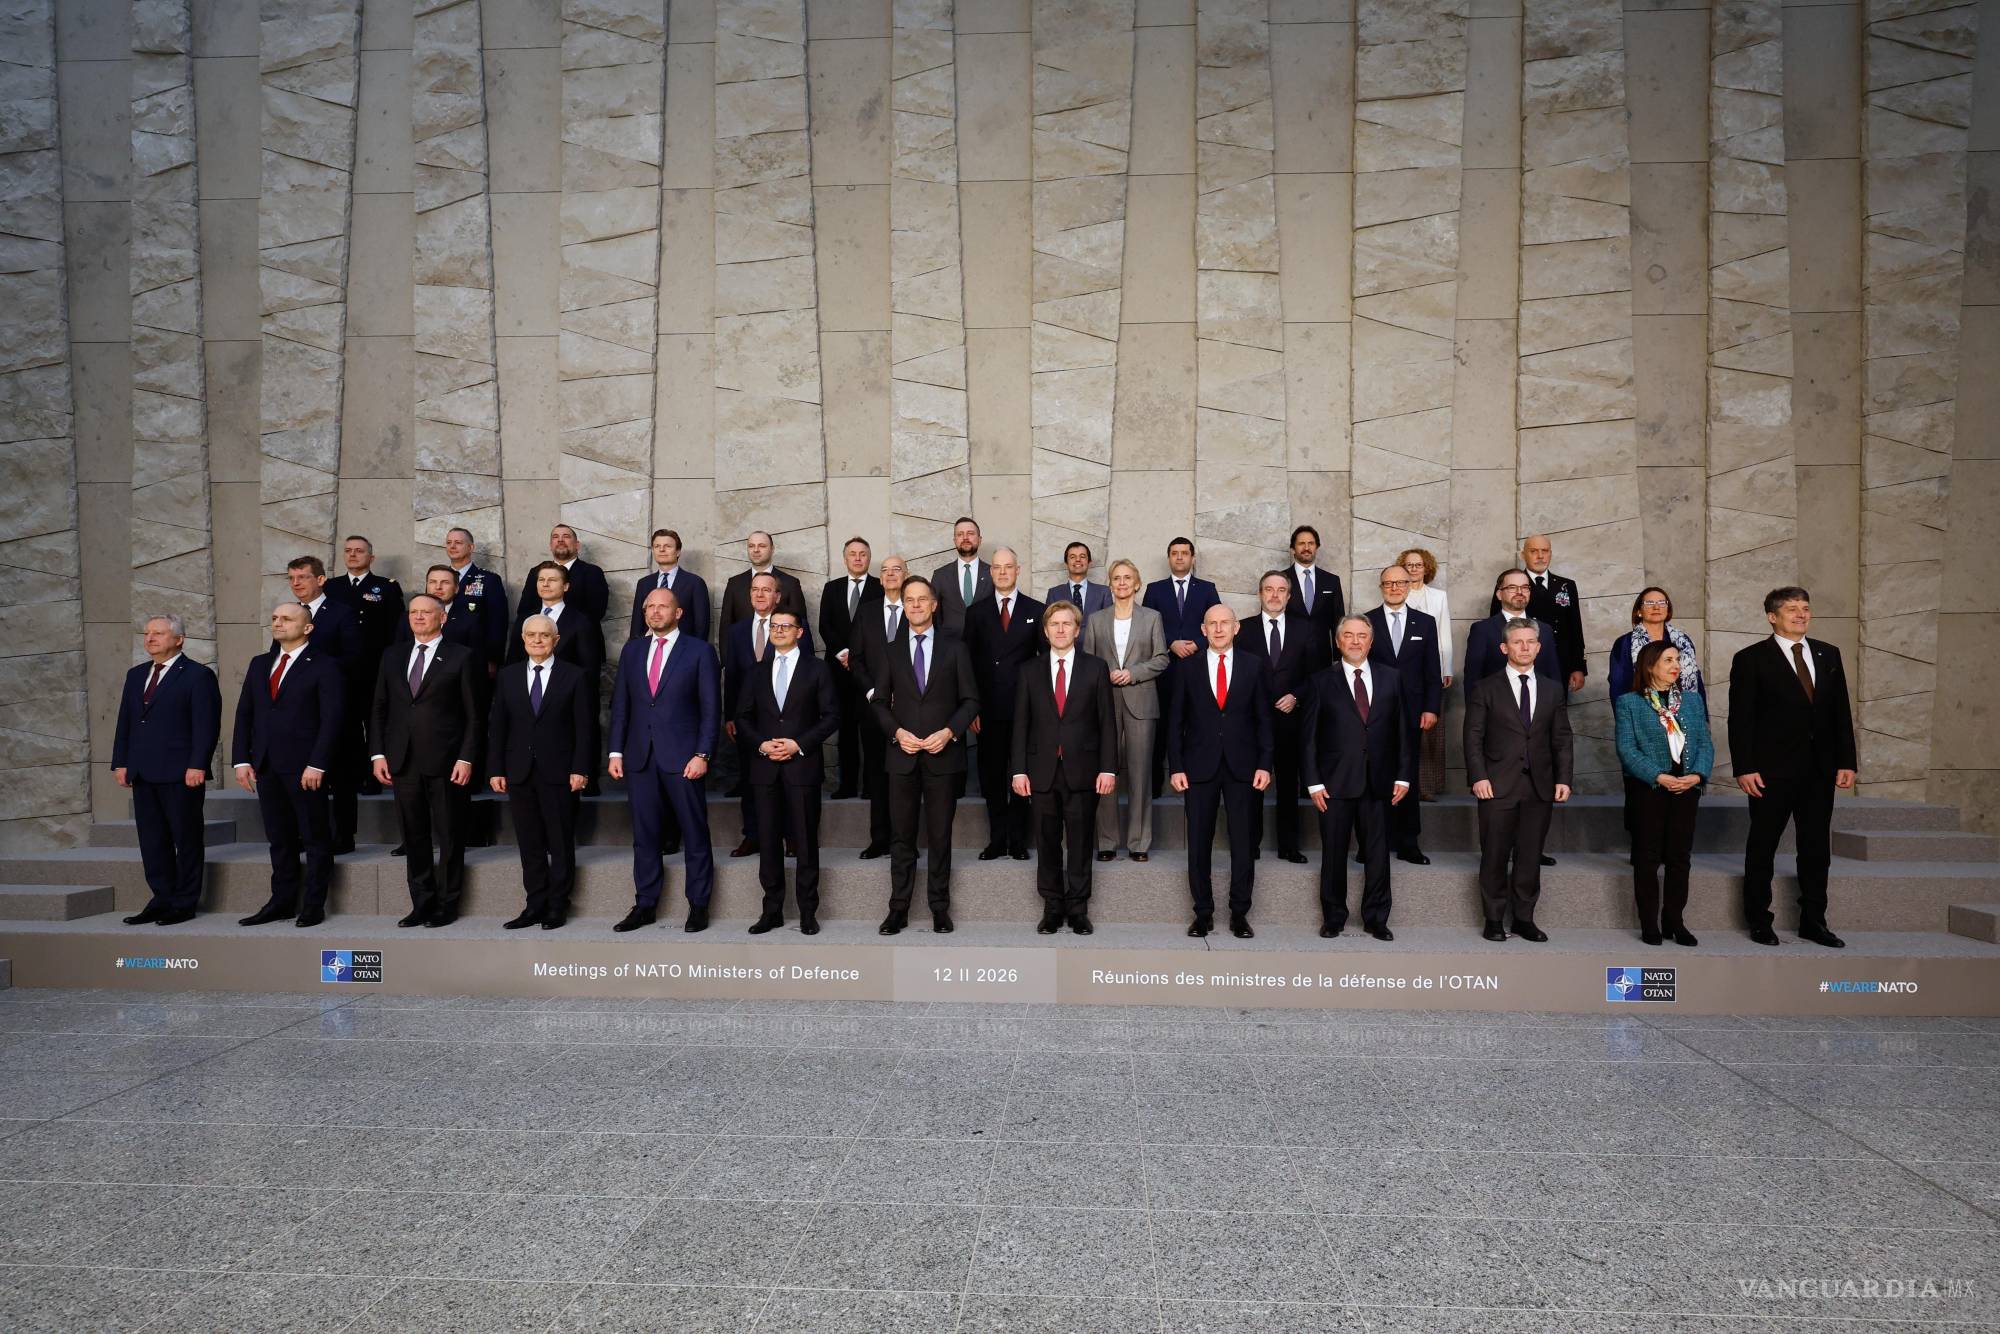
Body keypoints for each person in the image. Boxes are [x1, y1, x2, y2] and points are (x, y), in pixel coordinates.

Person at [1728, 586, 1857, 948]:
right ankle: (1759, 920)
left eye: (1805, 608)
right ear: (1772, 617)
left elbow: (1840, 712)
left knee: (1816, 849)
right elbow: (1741, 719)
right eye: (1791, 609)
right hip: (1770, 770)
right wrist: (1744, 767)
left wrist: (1847, 761)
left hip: (1820, 770)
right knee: (1762, 846)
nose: (1801, 614)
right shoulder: (1751, 658)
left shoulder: (1828, 653)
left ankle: (1814, 921)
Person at [870, 576, 980, 935]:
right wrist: (897, 733)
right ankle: (898, 909)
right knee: (901, 837)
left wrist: (949, 732)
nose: (915, 605)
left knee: (939, 836)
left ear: (934, 605)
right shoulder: (891, 650)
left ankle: (939, 908)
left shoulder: (955, 648)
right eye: (909, 600)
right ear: (903, 606)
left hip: (942, 756)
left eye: (922, 599)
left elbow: (971, 701)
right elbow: (879, 702)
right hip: (902, 756)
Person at [609, 588, 720, 932]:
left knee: (694, 832)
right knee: (644, 835)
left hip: (684, 758)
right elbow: (621, 705)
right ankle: (645, 904)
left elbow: (711, 709)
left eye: (663, 606)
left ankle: (698, 905)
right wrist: (616, 751)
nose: (655, 612)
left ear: (678, 612)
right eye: (650, 607)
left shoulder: (700, 651)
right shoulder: (632, 650)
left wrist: (702, 754)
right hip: (639, 757)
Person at [371, 594, 482, 928]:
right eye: (413, 612)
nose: (418, 617)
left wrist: (466, 757)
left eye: (426, 612)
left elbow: (474, 715)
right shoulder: (392, 655)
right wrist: (378, 753)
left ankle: (447, 904)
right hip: (402, 760)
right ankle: (421, 903)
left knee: (450, 835)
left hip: (447, 761)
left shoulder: (462, 656)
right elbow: (379, 707)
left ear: (442, 618)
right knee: (413, 835)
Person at [1301, 615, 1414, 941]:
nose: (1355, 641)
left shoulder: (1392, 678)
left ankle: (1376, 918)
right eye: (1348, 635)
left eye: (1361, 635)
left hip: (1380, 782)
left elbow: (1404, 731)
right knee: (1334, 853)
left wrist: (1404, 776)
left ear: (1371, 641)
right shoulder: (1321, 681)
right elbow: (1308, 738)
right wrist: (1314, 782)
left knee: (1378, 855)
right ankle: (1333, 917)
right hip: (1334, 784)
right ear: (1338, 642)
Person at [1166, 603, 1274, 939]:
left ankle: (1239, 914)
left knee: (1243, 843)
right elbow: (1175, 721)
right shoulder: (1187, 667)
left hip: (1244, 767)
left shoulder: (1254, 665)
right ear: (1203, 629)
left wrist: (1265, 763)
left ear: (1236, 627)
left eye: (1224, 622)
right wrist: (1176, 766)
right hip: (1199, 767)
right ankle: (1203, 914)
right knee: (1199, 843)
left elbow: (1264, 719)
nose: (1218, 628)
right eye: (1211, 623)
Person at [232, 603, 344, 928]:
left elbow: (332, 719)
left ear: (307, 628)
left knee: (314, 838)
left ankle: (313, 905)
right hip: (266, 765)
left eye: (286, 618)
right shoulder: (259, 664)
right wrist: (241, 759)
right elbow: (245, 714)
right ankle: (281, 902)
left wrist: (318, 764)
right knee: (279, 839)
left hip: (305, 767)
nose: (278, 623)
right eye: (274, 618)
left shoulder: (325, 665)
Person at [1011, 600, 1118, 933]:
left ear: (1077, 629)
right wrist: (1018, 770)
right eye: (1054, 624)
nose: (1060, 629)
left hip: (1083, 770)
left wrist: (1108, 768)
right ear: (1045, 631)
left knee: (1081, 841)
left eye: (1066, 623)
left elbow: (1107, 723)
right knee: (1046, 842)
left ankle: (1078, 908)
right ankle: (1052, 907)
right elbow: (1021, 724)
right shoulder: (1029, 670)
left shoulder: (1095, 668)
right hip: (1041, 771)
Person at [1464, 619, 1573, 942]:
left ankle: (1524, 919)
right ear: (1504, 648)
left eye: (1530, 642)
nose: (1524, 647)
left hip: (1540, 785)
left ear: (1538, 648)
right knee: (1494, 854)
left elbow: (1562, 738)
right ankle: (1494, 919)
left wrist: (1564, 778)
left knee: (1530, 855)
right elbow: (1472, 737)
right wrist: (1478, 776)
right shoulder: (1485, 688)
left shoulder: (1553, 689)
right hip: (1496, 784)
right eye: (1517, 642)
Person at [735, 608, 840, 935]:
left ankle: (808, 911)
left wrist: (798, 744)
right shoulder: (756, 671)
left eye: (786, 626)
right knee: (768, 842)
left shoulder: (817, 669)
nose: (779, 630)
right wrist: (762, 745)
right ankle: (772, 911)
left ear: (800, 632)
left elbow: (831, 716)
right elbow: (742, 717)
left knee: (805, 841)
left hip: (802, 767)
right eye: (774, 626)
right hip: (764, 768)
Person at [113, 614, 222, 926]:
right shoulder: (136, 675)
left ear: (179, 639)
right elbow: (126, 721)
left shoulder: (198, 676)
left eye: (158, 633)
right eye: (147, 633)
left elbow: (206, 725)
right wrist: (121, 761)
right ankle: (161, 899)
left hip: (181, 772)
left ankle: (184, 903)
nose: (150, 638)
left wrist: (198, 763)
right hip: (143, 771)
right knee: (152, 841)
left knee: (186, 839)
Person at [486, 615, 592, 930]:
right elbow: (498, 726)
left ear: (555, 640)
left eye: (544, 635)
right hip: (519, 771)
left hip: (560, 771)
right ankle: (534, 904)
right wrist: (496, 768)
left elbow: (584, 728)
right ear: (522, 639)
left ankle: (558, 905)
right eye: (531, 635)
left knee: (559, 842)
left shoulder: (574, 676)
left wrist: (580, 768)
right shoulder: (508, 676)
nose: (537, 640)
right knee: (529, 843)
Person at [1615, 639, 1712, 947]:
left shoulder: (1692, 701)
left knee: (1679, 857)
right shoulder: (1629, 703)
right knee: (1647, 857)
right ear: (1650, 666)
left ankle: (1674, 921)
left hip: (1687, 788)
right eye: (1668, 660)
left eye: (1678, 660)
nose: (1676, 666)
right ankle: (1649, 923)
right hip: (1649, 789)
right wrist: (1658, 776)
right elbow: (1627, 749)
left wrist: (1697, 775)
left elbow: (1705, 743)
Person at [723, 572, 816, 857]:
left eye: (766, 590)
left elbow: (807, 672)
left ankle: (791, 836)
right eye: (755, 589)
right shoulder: (737, 631)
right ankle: (753, 835)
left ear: (778, 596)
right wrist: (730, 715)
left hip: (790, 719)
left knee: (788, 779)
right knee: (752, 779)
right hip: (750, 721)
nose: (760, 594)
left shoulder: (794, 628)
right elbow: (732, 676)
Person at [1081, 558, 1169, 862]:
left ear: (1137, 583)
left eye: (1127, 578)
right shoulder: (1096, 620)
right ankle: (1107, 841)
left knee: (1140, 774)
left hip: (1141, 701)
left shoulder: (1152, 618)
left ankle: (1139, 842)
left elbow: (1162, 658)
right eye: (1116, 578)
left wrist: (1133, 673)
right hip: (1103, 702)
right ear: (1110, 584)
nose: (1121, 582)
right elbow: (1087, 661)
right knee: (1105, 769)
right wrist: (1102, 675)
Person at [1236, 569, 1322, 864]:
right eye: (1269, 589)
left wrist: (1296, 696)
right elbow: (1237, 673)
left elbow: (1317, 674)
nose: (1275, 595)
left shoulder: (1305, 629)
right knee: (1252, 784)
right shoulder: (1243, 629)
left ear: (1289, 596)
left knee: (1288, 785)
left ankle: (1289, 846)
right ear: (1260, 594)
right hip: (1253, 721)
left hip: (1291, 719)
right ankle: (1250, 844)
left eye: (1281, 590)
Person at [323, 534, 403, 845]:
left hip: (373, 667)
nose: (353, 555)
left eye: (359, 551)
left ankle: (372, 776)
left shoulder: (386, 587)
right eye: (348, 551)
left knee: (375, 721)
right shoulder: (331, 588)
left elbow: (396, 629)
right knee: (346, 726)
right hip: (339, 671)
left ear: (371, 557)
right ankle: (352, 774)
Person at [963, 547, 1042, 861]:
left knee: (1022, 773)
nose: (1003, 572)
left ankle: (1018, 840)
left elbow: (1045, 663)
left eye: (1008, 567)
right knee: (992, 777)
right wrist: (972, 707)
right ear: (990, 572)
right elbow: (967, 664)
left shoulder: (1036, 609)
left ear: (1017, 570)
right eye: (997, 567)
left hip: (1025, 710)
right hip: (988, 710)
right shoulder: (976, 612)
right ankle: (997, 839)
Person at [1368, 563, 1443, 864]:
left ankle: (1409, 843)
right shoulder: (1367, 621)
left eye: (1400, 583)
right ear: (1381, 587)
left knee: (1407, 775)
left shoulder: (1425, 623)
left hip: (1413, 713)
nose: (1395, 588)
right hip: (1374, 714)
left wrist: (1431, 707)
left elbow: (1432, 670)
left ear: (1409, 586)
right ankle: (1375, 842)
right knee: (1375, 776)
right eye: (1388, 583)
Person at [1142, 537, 1220, 794]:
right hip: (1164, 670)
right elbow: (1145, 625)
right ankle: (1155, 788)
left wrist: (1197, 644)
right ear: (1168, 558)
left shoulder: (1207, 589)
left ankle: (1197, 781)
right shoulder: (1155, 589)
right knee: (1161, 727)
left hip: (1198, 668)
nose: (1179, 557)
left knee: (1197, 724)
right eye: (1174, 553)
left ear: (1192, 558)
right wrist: (1170, 643)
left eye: (1184, 553)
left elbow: (1217, 623)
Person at [848, 553, 912, 859]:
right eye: (885, 570)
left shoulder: (916, 608)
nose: (890, 574)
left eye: (896, 569)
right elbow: (856, 658)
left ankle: (905, 841)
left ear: (906, 574)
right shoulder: (867, 611)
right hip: (874, 707)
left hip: (910, 707)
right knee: (876, 773)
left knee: (906, 777)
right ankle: (880, 839)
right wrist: (875, 693)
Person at [819, 536, 881, 799]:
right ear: (845, 559)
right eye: (852, 554)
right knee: (844, 729)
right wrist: (844, 654)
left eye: (862, 554)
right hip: (839, 671)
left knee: (872, 730)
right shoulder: (831, 588)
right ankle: (847, 785)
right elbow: (825, 626)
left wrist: (858, 658)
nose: (857, 558)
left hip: (870, 671)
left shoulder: (880, 587)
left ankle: (871, 786)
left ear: (869, 558)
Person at [1488, 534, 1585, 695]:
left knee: (1554, 705)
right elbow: (1497, 626)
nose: (1540, 556)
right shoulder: (1510, 584)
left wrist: (1578, 666)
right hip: (1521, 662)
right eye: (1533, 551)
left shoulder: (1566, 585)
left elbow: (1575, 628)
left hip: (1559, 663)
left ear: (1550, 554)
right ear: (1523, 555)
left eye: (1545, 551)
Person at [1396, 547, 1452, 801]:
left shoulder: (1439, 597)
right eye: (1409, 565)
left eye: (1418, 565)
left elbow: (1444, 634)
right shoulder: (1398, 593)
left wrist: (1446, 668)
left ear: (1427, 568)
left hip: (1431, 671)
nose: (1414, 569)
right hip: (1403, 672)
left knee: (1430, 734)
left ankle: (1428, 787)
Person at [1465, 569, 1561, 686]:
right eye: (1512, 587)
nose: (1519, 592)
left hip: (1540, 697)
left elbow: (1554, 675)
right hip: (1496, 697)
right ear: (1499, 594)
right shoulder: (1482, 630)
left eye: (1524, 587)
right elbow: (1473, 678)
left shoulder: (1545, 630)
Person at [1609, 586, 1704, 703]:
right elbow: (1618, 685)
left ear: (1668, 609)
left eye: (1662, 602)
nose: (1656, 607)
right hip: (1642, 708)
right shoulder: (1625, 643)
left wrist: (1702, 711)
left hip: (1684, 708)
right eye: (1649, 603)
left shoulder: (1683, 641)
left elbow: (1696, 679)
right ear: (1639, 611)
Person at [441, 526, 510, 675]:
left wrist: (493, 660)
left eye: (458, 542)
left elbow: (497, 623)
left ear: (471, 547)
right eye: (449, 542)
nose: (452, 546)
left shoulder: (489, 580)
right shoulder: (437, 579)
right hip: (441, 654)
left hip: (474, 657)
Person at [719, 529, 807, 644]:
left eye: (762, 546)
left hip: (779, 652)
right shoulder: (734, 583)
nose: (756, 550)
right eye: (751, 546)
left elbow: (801, 627)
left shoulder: (790, 583)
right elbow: (725, 629)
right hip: (743, 653)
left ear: (772, 549)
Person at [516, 523, 608, 629]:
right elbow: (524, 611)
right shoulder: (535, 572)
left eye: (566, 536)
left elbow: (595, 613)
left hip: (580, 637)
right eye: (555, 537)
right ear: (550, 546)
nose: (560, 540)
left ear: (577, 545)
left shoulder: (592, 572)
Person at [630, 527, 711, 644]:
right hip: (649, 647)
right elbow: (636, 625)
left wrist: (695, 652)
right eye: (657, 546)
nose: (662, 549)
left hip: (683, 649)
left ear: (678, 552)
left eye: (667, 546)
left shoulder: (695, 583)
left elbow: (701, 627)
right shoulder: (643, 583)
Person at [1285, 524, 1346, 661]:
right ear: (1293, 549)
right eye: (1301, 543)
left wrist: (1339, 659)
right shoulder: (1280, 580)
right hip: (1288, 657)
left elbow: (1339, 622)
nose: (1306, 548)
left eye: (1311, 543)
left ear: (1316, 547)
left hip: (1322, 657)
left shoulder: (1332, 581)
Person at [930, 515, 992, 635]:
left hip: (985, 642)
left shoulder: (993, 573)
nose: (965, 538)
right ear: (955, 541)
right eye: (960, 534)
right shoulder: (940, 575)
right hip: (949, 643)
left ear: (979, 540)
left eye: (970, 533)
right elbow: (934, 615)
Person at [1044, 540, 1111, 618]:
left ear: (1089, 562)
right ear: (1066, 563)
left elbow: (1108, 623)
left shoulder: (1103, 592)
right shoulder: (1054, 594)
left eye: (1082, 556)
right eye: (1072, 557)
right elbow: (1049, 622)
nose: (1078, 559)